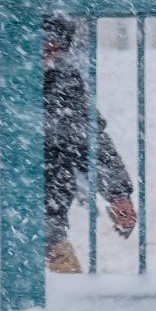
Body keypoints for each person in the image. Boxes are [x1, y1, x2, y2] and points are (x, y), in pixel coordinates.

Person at [42, 17, 137, 273]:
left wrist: (118, 193)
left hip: (47, 207)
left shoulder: (63, 81)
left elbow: (88, 140)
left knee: (61, 276)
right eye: (42, 51)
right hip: (0, 202)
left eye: (55, 52)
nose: (48, 61)